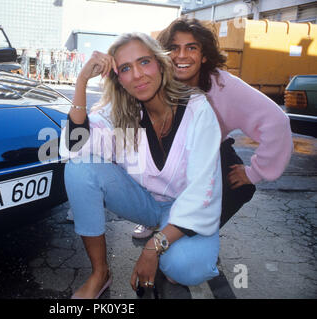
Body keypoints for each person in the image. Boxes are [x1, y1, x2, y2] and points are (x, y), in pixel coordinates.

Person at [60, 32, 223, 299]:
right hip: (145, 203)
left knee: (185, 268)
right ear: (119, 79)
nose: (137, 75)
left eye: (144, 62)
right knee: (80, 168)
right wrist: (81, 81)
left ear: (160, 64)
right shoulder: (123, 112)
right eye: (125, 68)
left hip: (185, 207)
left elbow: (203, 189)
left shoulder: (197, 109)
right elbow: (76, 146)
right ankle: (100, 273)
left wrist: (153, 247)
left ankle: (173, 250)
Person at [132, 18, 293, 239]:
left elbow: (276, 121)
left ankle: (195, 237)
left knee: (240, 188)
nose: (181, 56)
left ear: (204, 55)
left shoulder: (223, 85)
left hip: (206, 150)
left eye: (191, 48)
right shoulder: (152, 81)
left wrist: (254, 172)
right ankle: (153, 218)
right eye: (173, 48)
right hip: (161, 150)